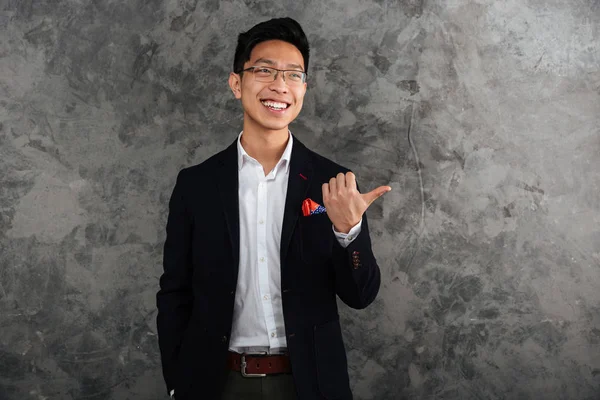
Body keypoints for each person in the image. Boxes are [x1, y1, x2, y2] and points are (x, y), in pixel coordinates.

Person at [156, 17, 391, 400]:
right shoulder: (196, 185)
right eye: (264, 70)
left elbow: (360, 296)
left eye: (293, 75)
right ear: (237, 83)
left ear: (303, 89)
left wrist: (349, 233)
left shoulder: (333, 182)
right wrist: (177, 383)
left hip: (309, 383)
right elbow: (174, 293)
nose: (279, 85)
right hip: (217, 382)